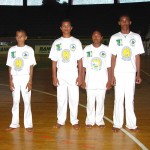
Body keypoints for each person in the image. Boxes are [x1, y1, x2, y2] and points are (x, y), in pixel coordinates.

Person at [109, 15, 145, 132]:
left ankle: (131, 124)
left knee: (130, 99)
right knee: (118, 98)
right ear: (119, 23)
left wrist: (138, 74)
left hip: (130, 73)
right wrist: (111, 75)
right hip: (118, 73)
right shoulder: (114, 37)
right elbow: (113, 57)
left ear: (130, 22)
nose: (124, 23)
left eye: (126, 21)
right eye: (122, 21)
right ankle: (117, 124)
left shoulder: (136, 37)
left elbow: (137, 56)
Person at [49, 19, 83, 130]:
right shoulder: (56, 43)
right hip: (61, 74)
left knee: (74, 98)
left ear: (71, 28)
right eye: (64, 26)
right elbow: (54, 61)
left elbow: (80, 61)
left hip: (73, 73)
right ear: (61, 28)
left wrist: (80, 75)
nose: (66, 28)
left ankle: (74, 121)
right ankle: (60, 121)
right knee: (61, 99)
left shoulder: (76, 42)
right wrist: (54, 76)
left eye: (68, 26)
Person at [6, 29, 36, 132]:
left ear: (25, 37)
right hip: (15, 78)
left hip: (25, 77)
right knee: (15, 101)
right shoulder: (12, 50)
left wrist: (30, 81)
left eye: (22, 36)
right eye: (18, 36)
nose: (19, 38)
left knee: (27, 101)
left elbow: (31, 66)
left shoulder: (29, 50)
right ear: (16, 37)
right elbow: (10, 66)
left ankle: (28, 124)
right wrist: (10, 81)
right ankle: (14, 123)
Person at [81, 30, 111, 128]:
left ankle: (100, 121)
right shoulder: (87, 49)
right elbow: (83, 67)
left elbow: (109, 67)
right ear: (92, 37)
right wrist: (82, 80)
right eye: (94, 35)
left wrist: (110, 80)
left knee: (100, 102)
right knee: (90, 102)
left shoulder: (106, 49)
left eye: (98, 36)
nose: (96, 37)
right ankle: (89, 121)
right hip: (89, 81)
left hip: (103, 81)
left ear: (102, 37)